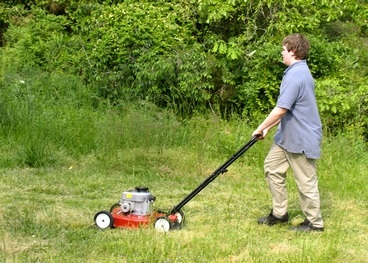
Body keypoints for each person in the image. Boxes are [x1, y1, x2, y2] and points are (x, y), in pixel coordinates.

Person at [252, 33, 324, 232]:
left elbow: (281, 109)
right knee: (272, 167)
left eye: (283, 50)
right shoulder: (295, 71)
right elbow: (289, 109)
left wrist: (260, 126)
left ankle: (315, 224)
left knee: (305, 180)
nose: (281, 53)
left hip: (301, 138)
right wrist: (267, 128)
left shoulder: (297, 75)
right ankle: (280, 213)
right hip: (286, 137)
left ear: (292, 51)